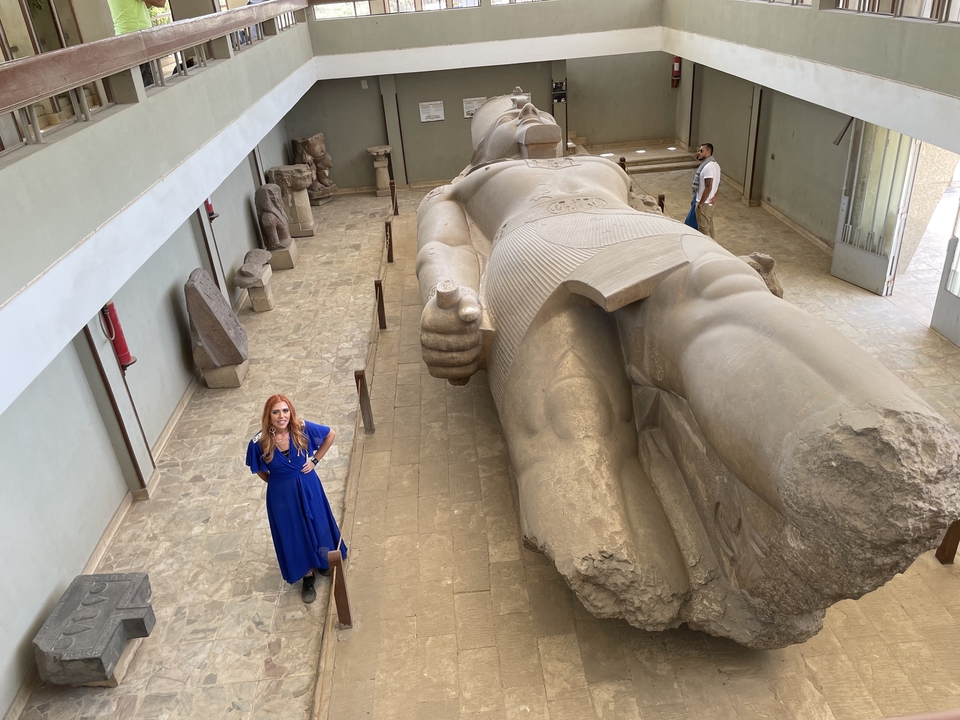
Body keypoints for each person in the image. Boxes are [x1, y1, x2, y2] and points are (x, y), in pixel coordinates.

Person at [414, 90, 959, 647]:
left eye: (532, 105)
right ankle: (653, 579)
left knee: (721, 302)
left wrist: (728, 259)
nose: (527, 108)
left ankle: (866, 457)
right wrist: (448, 306)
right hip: (534, 252)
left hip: (648, 239)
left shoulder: (604, 166)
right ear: (482, 147)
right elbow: (444, 248)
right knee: (575, 415)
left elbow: (651, 213)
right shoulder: (459, 189)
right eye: (510, 111)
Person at [245, 394, 346, 603]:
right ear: (268, 415)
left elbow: (330, 434)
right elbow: (258, 470)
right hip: (282, 496)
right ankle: (307, 576)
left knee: (317, 522)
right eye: (276, 412)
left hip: (309, 486)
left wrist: (315, 460)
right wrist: (277, 481)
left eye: (285, 410)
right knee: (294, 531)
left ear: (290, 412)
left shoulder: (301, 428)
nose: (281, 416)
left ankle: (322, 561)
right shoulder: (259, 441)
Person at [106, 0, 167, 86]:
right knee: (148, 84)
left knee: (139, 82)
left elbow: (148, 4)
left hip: (124, 35)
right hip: (137, 37)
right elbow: (160, 2)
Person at [691, 142, 720, 237]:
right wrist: (716, 195)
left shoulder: (708, 167)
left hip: (705, 203)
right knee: (709, 226)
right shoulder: (715, 165)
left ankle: (708, 249)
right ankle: (714, 247)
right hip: (711, 202)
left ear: (708, 152)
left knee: (703, 230)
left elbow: (709, 186)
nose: (699, 152)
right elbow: (717, 183)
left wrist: (701, 203)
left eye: (701, 151)